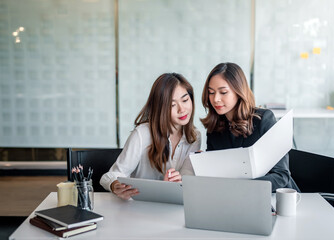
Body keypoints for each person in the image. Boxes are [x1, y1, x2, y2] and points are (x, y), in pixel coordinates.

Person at [100, 73, 201, 200]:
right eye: (172, 105)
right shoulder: (142, 134)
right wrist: (116, 185)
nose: (182, 109)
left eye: (185, 100)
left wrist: (181, 180)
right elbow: (111, 175)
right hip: (138, 207)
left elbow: (186, 177)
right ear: (161, 108)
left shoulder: (194, 136)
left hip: (171, 206)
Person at [201, 62, 299, 192]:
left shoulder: (264, 120)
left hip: (275, 197)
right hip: (235, 198)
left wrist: (242, 187)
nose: (215, 99)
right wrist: (203, 164)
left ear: (238, 92)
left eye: (223, 92)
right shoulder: (214, 128)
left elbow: (281, 176)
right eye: (211, 92)